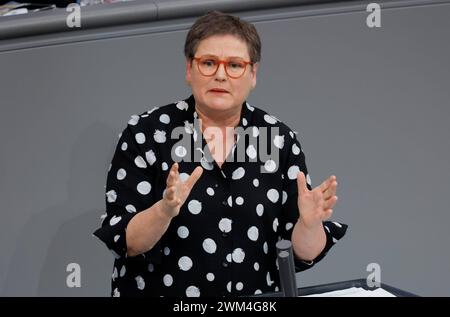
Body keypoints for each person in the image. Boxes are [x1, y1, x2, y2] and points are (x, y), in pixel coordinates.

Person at [93, 10, 347, 297]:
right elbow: (126, 241)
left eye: (235, 65)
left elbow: (302, 252)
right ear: (189, 69)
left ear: (253, 75)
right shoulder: (148, 133)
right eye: (209, 63)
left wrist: (310, 225)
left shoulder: (276, 139)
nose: (221, 75)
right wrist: (164, 211)